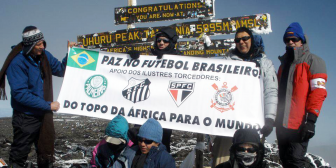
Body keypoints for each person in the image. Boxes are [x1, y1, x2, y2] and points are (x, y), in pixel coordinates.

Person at [0, 26, 73, 168]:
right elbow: (20, 94)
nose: (41, 47)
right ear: (29, 45)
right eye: (38, 44)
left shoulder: (45, 56)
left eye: (42, 43)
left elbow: (61, 70)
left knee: (45, 154)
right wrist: (48, 105)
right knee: (19, 156)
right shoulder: (17, 63)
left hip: (43, 116)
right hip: (25, 117)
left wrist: (70, 53)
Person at [211, 27, 278, 167]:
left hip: (254, 125)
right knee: (223, 162)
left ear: (252, 40)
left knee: (250, 162)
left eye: (245, 38)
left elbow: (270, 91)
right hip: (227, 126)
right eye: (238, 40)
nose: (241, 42)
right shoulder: (226, 62)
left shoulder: (265, 64)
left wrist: (270, 118)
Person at [275, 22, 327, 168]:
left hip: (300, 125)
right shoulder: (283, 65)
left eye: (294, 39)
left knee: (296, 161)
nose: (291, 42)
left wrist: (311, 121)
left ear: (302, 40)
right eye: (287, 40)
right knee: (285, 160)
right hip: (281, 125)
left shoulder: (314, 61)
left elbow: (318, 92)